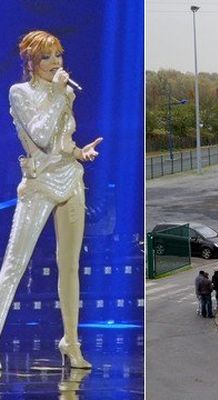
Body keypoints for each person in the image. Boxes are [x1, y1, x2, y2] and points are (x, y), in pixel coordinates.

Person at [0, 31, 103, 370]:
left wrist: (79, 152)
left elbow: (60, 141)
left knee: (70, 267)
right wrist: (59, 96)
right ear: (30, 62)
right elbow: (41, 136)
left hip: (71, 178)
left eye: (58, 55)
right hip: (39, 184)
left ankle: (70, 342)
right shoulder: (20, 93)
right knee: (14, 266)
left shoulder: (66, 93)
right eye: (46, 56)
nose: (55, 62)